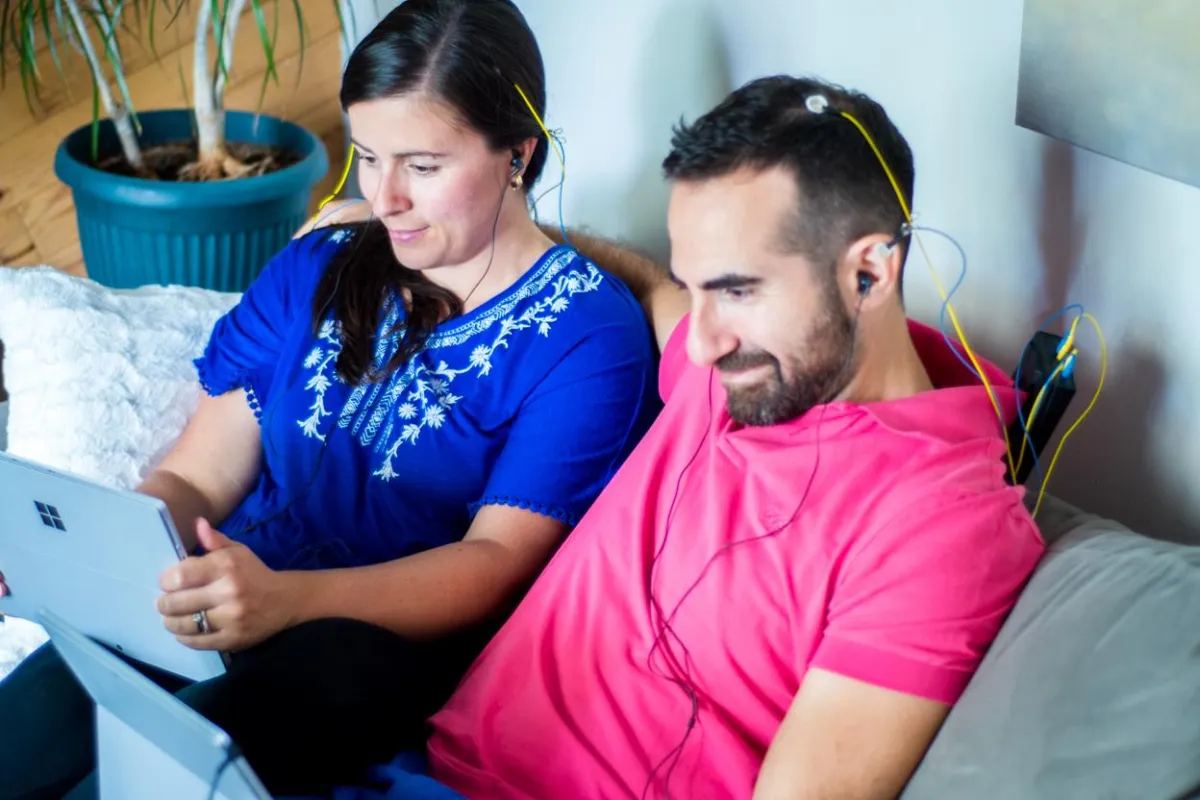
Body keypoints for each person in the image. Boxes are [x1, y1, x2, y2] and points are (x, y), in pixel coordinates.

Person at [0, 1, 659, 798]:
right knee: (25, 733)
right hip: (224, 588)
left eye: (422, 166)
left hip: (382, 646)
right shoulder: (326, 262)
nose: (384, 199)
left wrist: (284, 602)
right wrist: (98, 555)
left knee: (171, 768)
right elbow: (199, 478)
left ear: (517, 154)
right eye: (368, 156)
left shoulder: (588, 336)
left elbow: (496, 564)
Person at [419, 75, 1047, 799]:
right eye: (700, 290)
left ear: (870, 273)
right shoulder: (748, 366)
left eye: (738, 290)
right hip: (415, 768)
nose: (699, 345)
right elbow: (654, 287)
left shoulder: (941, 524)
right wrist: (474, 234)